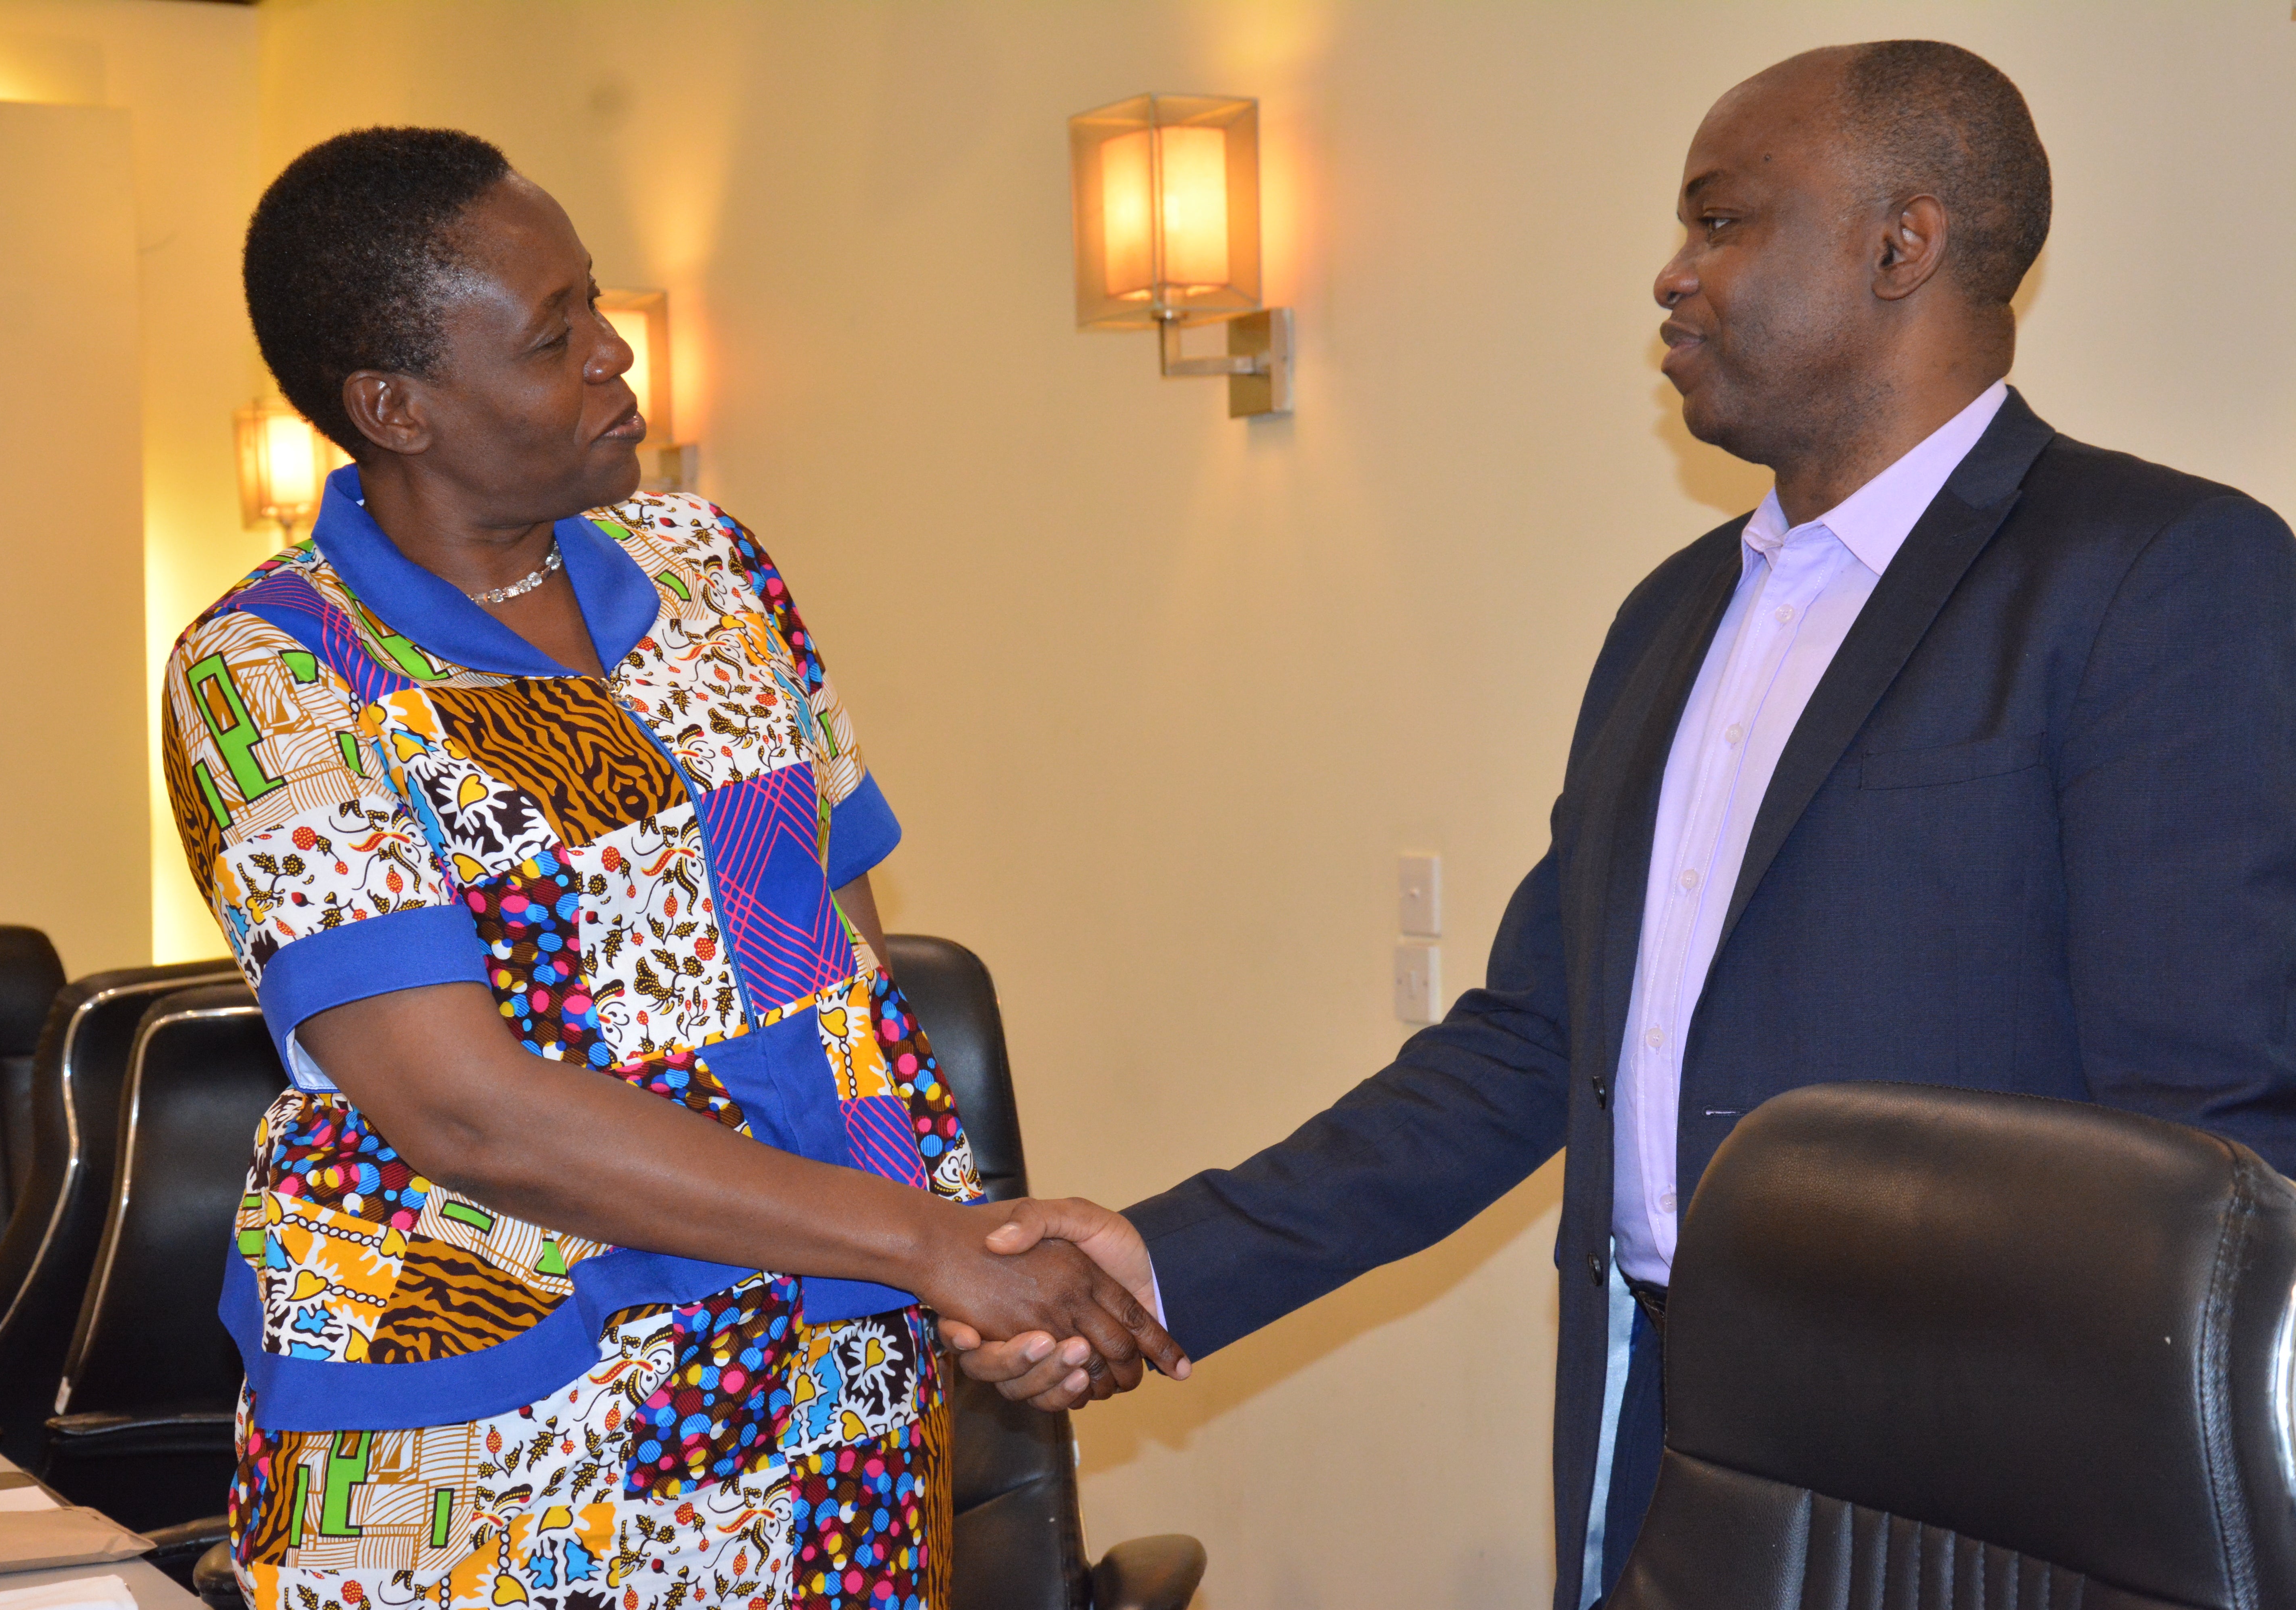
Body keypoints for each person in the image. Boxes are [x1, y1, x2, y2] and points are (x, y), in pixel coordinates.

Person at [945, 39, 2296, 1609]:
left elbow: (2215, 1143)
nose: (1672, 277)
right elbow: (1528, 1048)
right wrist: (1159, 1257)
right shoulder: (1672, 619)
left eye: (1721, 223)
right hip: (1658, 1425)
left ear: (1900, 244)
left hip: (1996, 1489)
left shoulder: (2156, 576)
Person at [167, 127, 1183, 1610]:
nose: (615, 356)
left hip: (821, 1385)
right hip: (494, 1429)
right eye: (553, 334)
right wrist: (935, 1244)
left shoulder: (713, 566)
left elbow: (840, 970)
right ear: (396, 408)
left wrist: (961, 1265)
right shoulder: (270, 671)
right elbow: (466, 1107)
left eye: (597, 302)